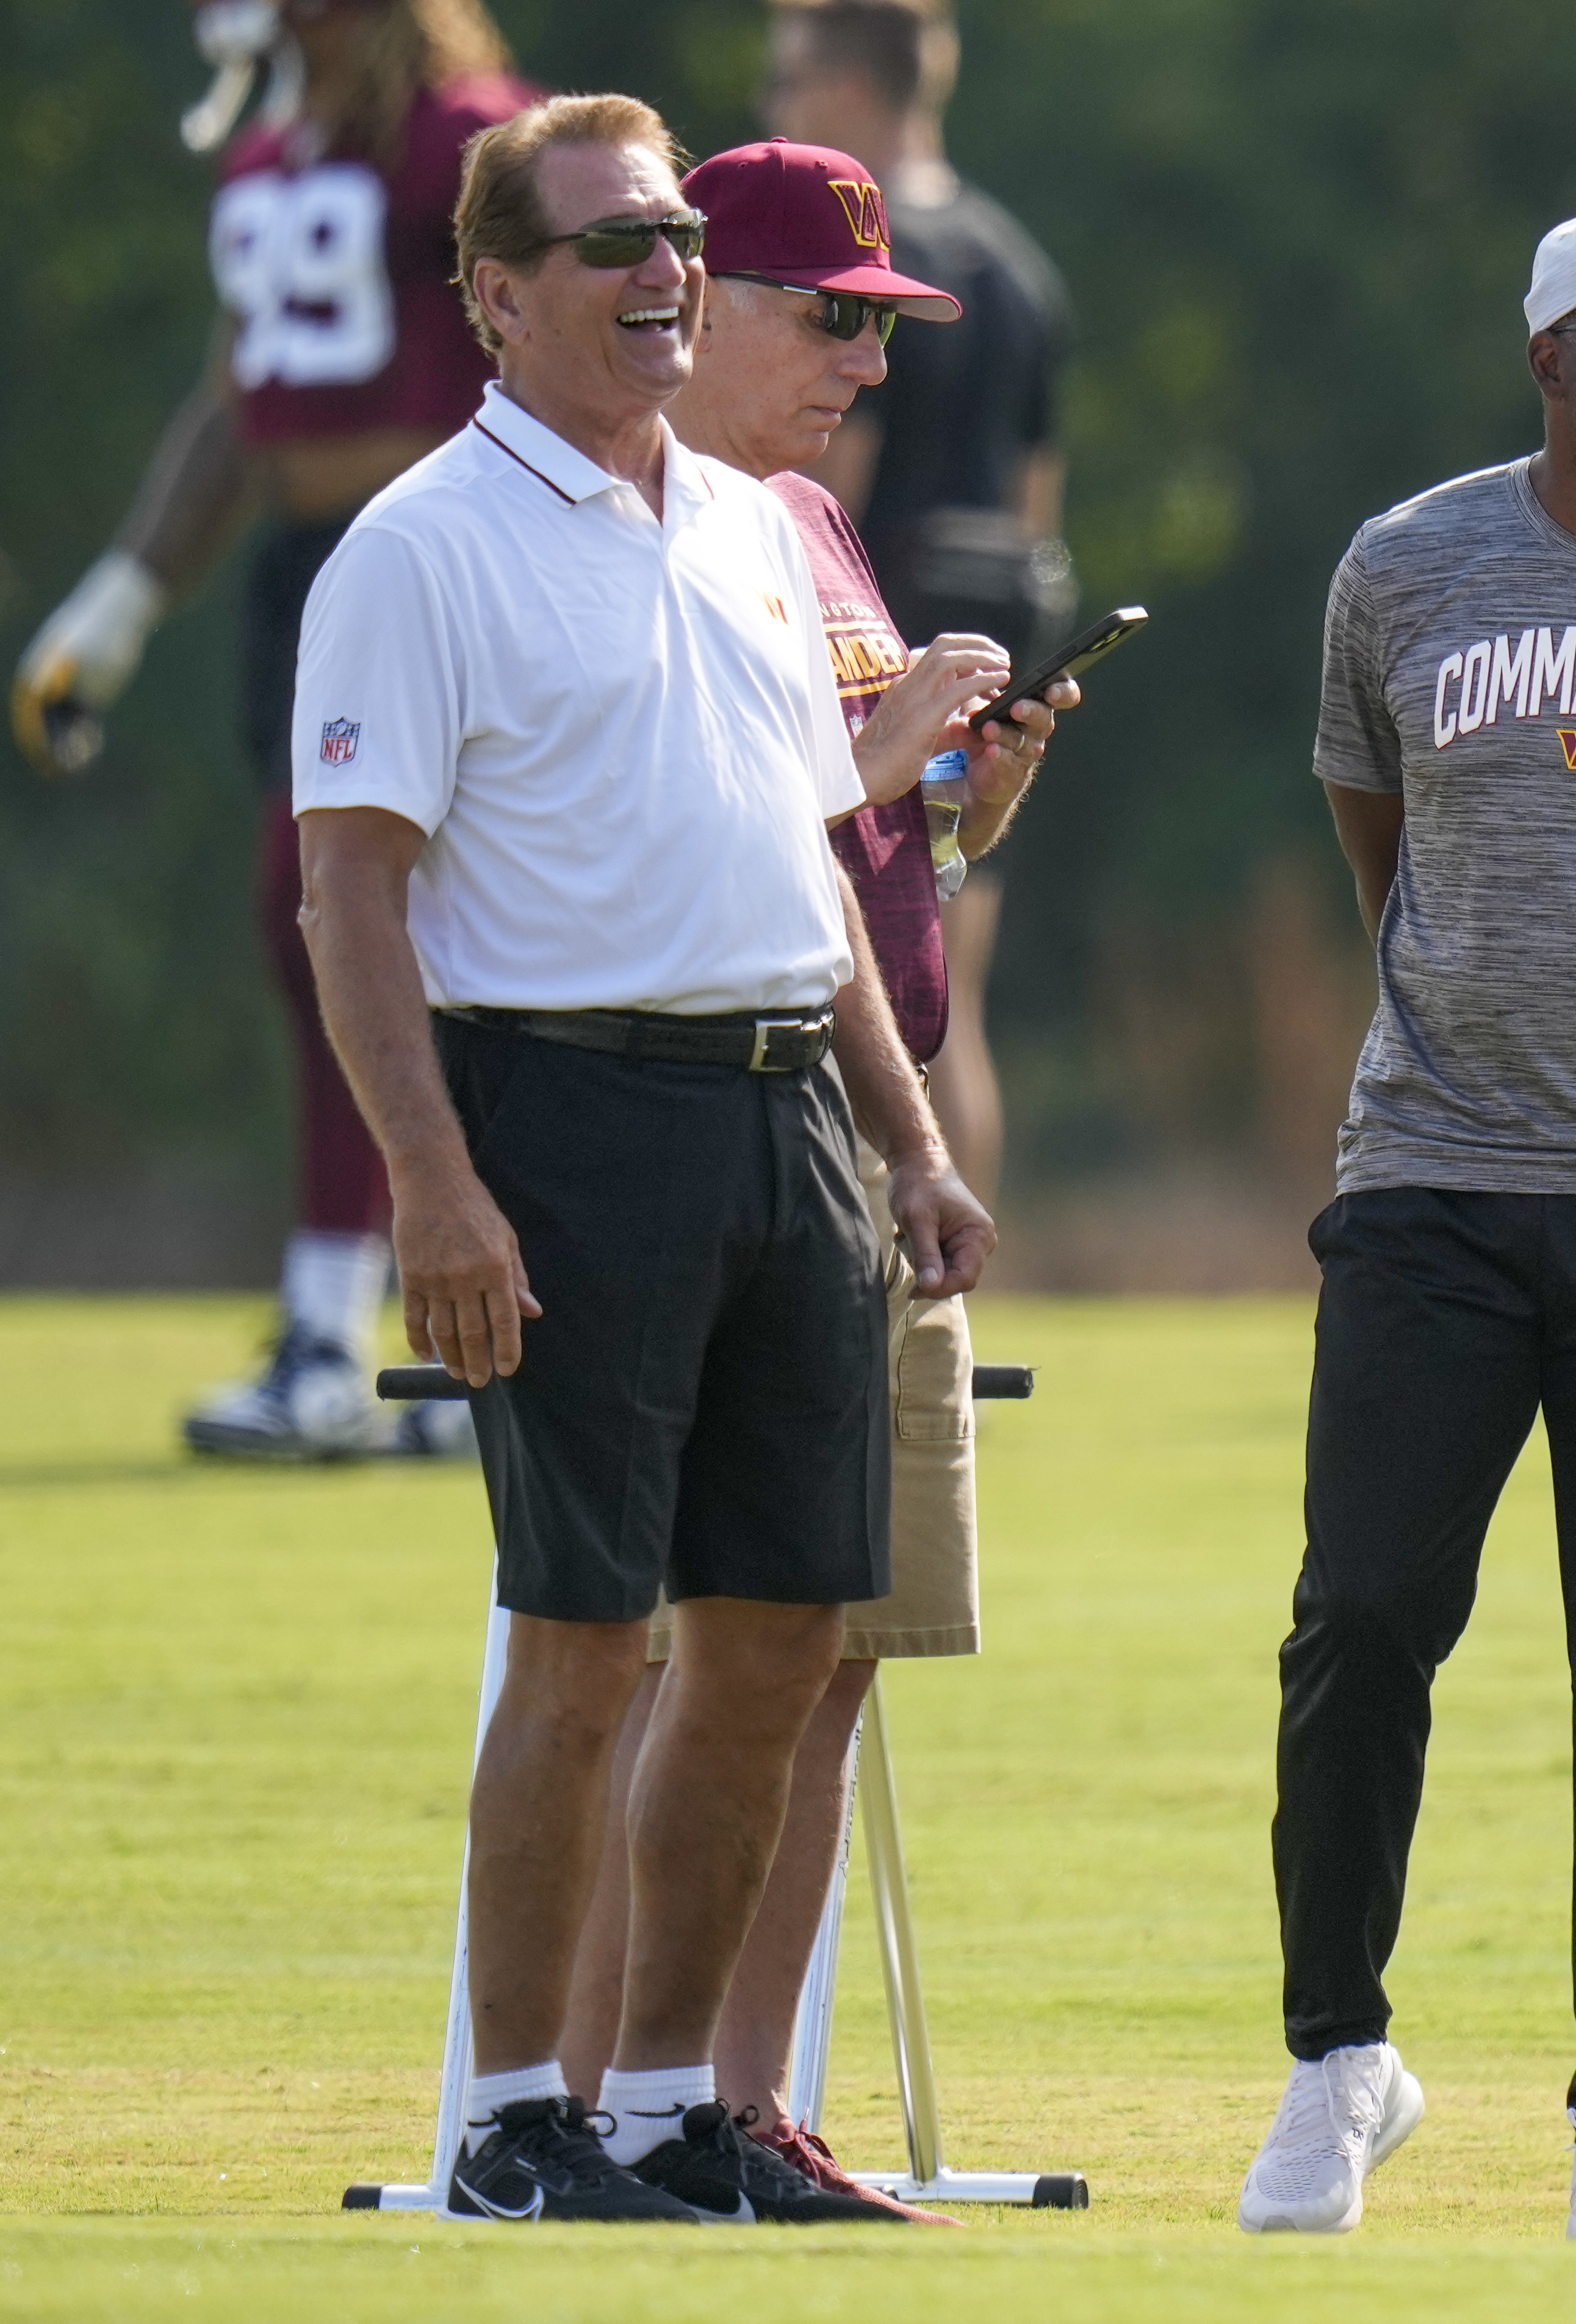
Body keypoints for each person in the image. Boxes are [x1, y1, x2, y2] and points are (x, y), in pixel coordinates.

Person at [293, 93, 993, 2223]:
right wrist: (432, 1183)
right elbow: (352, 896)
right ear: (497, 298)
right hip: (566, 1117)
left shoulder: (758, 527)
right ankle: (519, 2115)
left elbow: (804, 861)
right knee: (590, 1636)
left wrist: (908, 1142)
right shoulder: (418, 544)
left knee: (777, 1634)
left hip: (791, 1110)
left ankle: (670, 2106)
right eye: (610, 244)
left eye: (677, 232)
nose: (663, 270)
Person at [1242, 192, 1576, 2243]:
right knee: (1362, 1620)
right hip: (1432, 1185)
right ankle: (1332, 2065)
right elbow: (1379, 841)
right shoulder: (1404, 567)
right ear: (1550, 359)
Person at [550, 135, 1074, 2225]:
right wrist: (872, 774)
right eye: (828, 315)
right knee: (681, 1658)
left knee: (828, 1657)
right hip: (709, 1140)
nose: (864, 356)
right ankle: (600, 2104)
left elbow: (856, 872)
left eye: (882, 321)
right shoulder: (639, 530)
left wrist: (959, 806)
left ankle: (742, 2111)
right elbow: (684, 838)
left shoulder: (813, 529)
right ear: (699, 308)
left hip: (866, 1144)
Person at [10, 0, 534, 1460]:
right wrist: (118, 599)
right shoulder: (269, 155)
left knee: (444, 939)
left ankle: (423, 1328)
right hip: (311, 579)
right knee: (315, 931)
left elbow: (568, 330)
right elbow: (248, 394)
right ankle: (365, 1321)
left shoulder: (467, 136)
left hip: (452, 564)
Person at [760, 0, 1077, 1207]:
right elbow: (1040, 505)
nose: (776, 109)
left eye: (790, 83)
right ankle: (949, 1292)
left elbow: (815, 491)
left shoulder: (864, 269)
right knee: (956, 995)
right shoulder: (1020, 266)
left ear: (847, 91)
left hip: (870, 651)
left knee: (850, 966)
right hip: (996, 642)